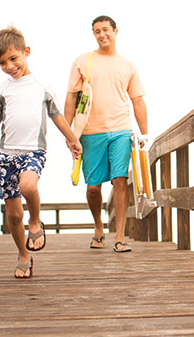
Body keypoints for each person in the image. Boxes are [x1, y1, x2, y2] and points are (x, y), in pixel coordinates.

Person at [0, 25, 82, 278]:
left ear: (26, 52)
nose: (10, 66)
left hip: (34, 151)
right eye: (2, 62)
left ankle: (35, 221)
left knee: (28, 186)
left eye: (14, 58)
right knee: (12, 214)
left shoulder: (42, 85)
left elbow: (56, 116)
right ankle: (23, 254)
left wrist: (72, 139)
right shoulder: (2, 90)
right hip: (6, 155)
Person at [64, 16, 149, 253]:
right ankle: (99, 228)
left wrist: (145, 134)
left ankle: (120, 237)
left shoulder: (128, 65)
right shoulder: (83, 61)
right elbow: (71, 96)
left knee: (120, 180)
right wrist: (69, 131)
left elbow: (138, 101)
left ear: (115, 31)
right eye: (96, 31)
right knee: (93, 186)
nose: (101, 34)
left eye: (105, 30)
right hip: (90, 132)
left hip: (120, 129)